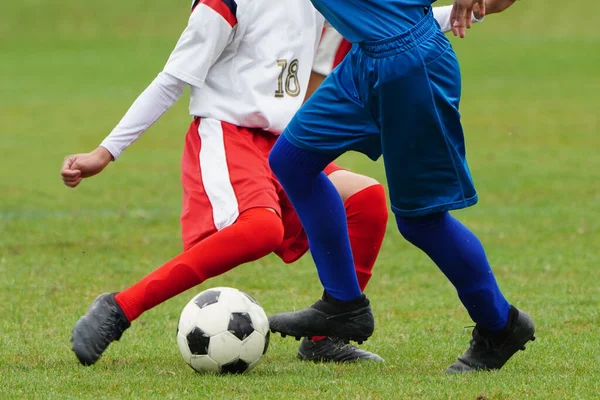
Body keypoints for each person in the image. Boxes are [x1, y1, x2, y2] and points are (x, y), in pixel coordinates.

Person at [267, 0, 535, 373]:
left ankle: (500, 325)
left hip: (410, 67)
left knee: (420, 221)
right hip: (365, 62)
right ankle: (344, 306)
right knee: (291, 161)